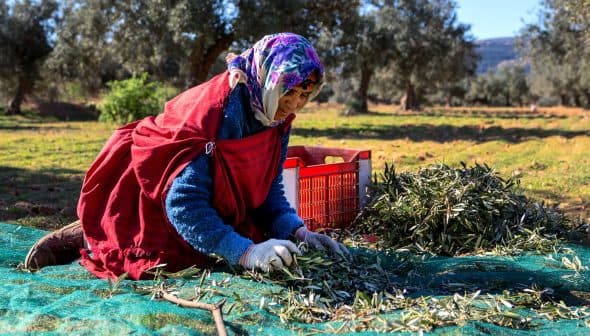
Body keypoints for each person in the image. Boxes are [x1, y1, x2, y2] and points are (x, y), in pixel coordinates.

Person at [24, 33, 348, 280]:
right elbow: (183, 206)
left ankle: (96, 227)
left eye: (305, 95)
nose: (294, 104)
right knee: (157, 253)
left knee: (258, 238)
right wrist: (245, 253)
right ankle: (84, 232)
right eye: (288, 91)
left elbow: (268, 192)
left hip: (213, 199)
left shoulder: (274, 117)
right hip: (152, 193)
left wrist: (298, 231)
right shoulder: (215, 117)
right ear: (266, 78)